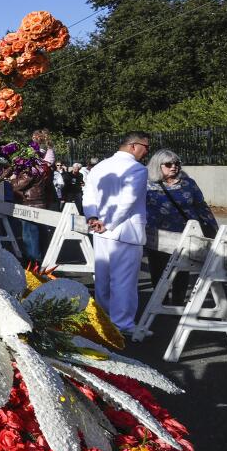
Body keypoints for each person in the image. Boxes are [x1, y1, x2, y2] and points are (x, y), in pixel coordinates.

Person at [82, 131, 151, 333]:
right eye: (146, 147)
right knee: (124, 281)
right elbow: (128, 201)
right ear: (133, 146)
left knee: (103, 277)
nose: (146, 152)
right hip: (125, 231)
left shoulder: (100, 166)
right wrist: (108, 223)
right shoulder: (137, 169)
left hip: (100, 230)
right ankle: (122, 324)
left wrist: (92, 217)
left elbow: (88, 194)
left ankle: (104, 319)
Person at [145, 149, 219, 304]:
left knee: (182, 268)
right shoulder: (146, 185)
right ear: (157, 166)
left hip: (185, 233)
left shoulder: (188, 183)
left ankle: (178, 302)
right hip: (157, 236)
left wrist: (213, 227)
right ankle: (160, 302)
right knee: (158, 269)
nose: (174, 167)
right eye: (168, 164)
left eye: (177, 163)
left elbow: (201, 206)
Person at [9, 156, 54, 264]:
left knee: (30, 234)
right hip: (40, 203)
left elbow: (17, 186)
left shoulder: (29, 170)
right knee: (40, 233)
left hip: (31, 205)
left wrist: (12, 179)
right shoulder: (41, 168)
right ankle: (42, 259)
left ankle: (33, 261)